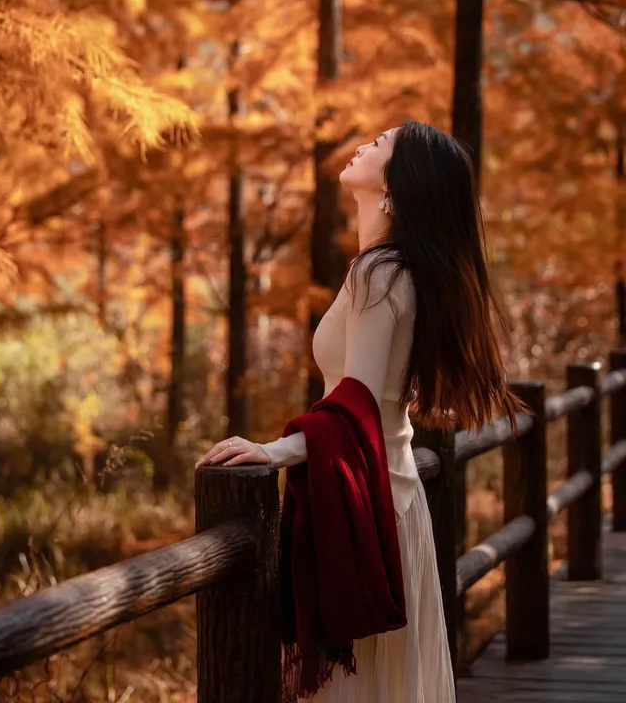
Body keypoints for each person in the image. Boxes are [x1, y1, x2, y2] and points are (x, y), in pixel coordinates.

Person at [200, 120, 523, 702]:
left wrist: (272, 452)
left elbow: (359, 403)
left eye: (379, 143)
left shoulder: (380, 272)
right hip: (391, 500)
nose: (362, 144)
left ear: (395, 184)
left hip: (374, 511)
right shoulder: (388, 267)